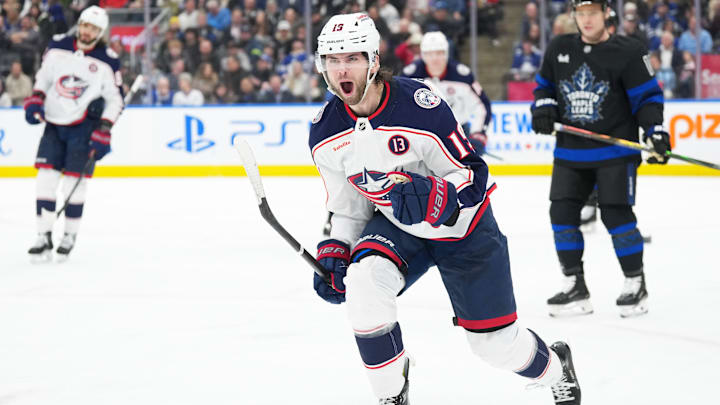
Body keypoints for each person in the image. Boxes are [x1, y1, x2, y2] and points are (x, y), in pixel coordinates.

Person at [310, 13, 580, 405]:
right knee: (363, 283)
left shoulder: (420, 106)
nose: (340, 70)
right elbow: (349, 206)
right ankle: (390, 394)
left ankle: (558, 367)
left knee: (495, 347)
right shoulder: (325, 132)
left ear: (372, 59)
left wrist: (438, 196)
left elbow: (472, 175)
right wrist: (337, 246)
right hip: (399, 228)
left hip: (465, 230)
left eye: (350, 58)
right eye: (332, 60)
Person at [531, 0, 670, 318]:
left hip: (615, 152)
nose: (586, 19)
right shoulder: (559, 48)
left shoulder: (629, 51)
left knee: (616, 215)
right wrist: (543, 108)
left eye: (592, 12)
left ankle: (635, 283)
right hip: (570, 150)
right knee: (562, 214)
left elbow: (648, 97)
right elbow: (544, 87)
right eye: (581, 13)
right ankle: (575, 286)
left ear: (606, 14)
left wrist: (656, 131)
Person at [23, 6, 123, 262]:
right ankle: (43, 235)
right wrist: (36, 98)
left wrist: (104, 128)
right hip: (54, 123)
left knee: (73, 185)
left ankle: (69, 235)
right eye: (85, 25)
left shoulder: (107, 59)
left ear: (101, 32)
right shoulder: (57, 46)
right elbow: (44, 77)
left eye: (93, 28)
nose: (87, 31)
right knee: (45, 179)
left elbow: (115, 100)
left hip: (83, 128)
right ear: (79, 24)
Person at [402, 31, 493, 157]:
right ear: (422, 54)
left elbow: (482, 106)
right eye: (429, 54)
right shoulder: (409, 75)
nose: (435, 59)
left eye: (439, 53)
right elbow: (400, 106)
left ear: (447, 53)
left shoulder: (462, 75)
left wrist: (478, 134)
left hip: (459, 132)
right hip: (423, 135)